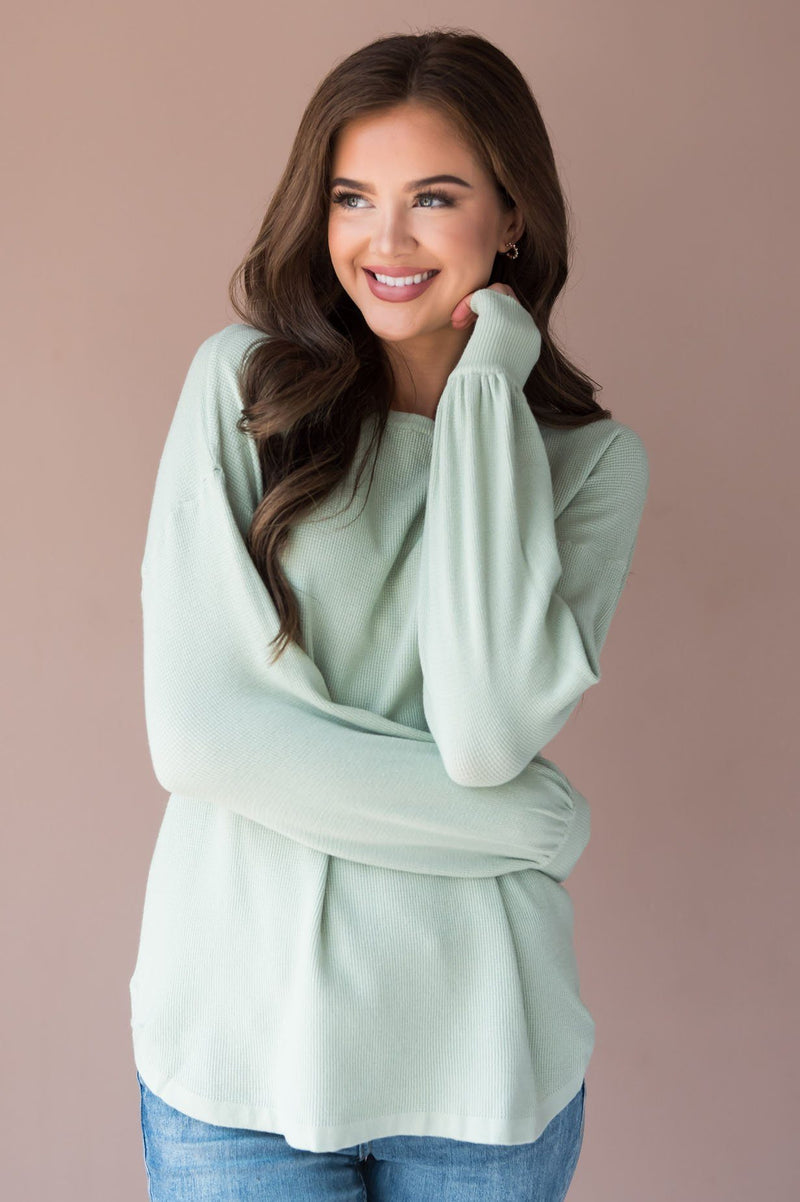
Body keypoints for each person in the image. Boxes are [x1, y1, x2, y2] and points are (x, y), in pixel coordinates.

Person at [130, 27, 649, 1202]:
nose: (387, 240)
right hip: (234, 1047)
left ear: (510, 218)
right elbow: (204, 740)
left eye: (434, 197)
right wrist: (535, 824)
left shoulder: (591, 464)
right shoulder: (241, 390)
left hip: (479, 1058)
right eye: (353, 197)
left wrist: (483, 394)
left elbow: (483, 731)